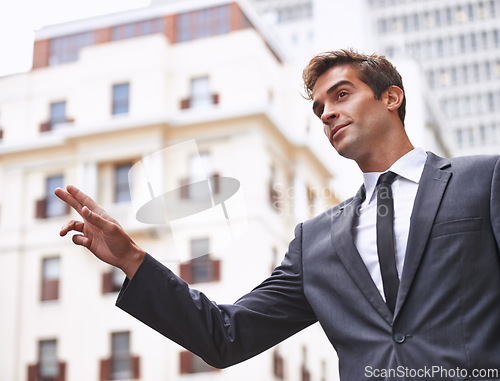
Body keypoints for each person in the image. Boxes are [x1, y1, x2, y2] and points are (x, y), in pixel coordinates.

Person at [55, 49, 500, 380]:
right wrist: (132, 258)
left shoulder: (483, 180)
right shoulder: (317, 241)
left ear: (392, 98)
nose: (327, 114)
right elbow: (225, 336)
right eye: (319, 109)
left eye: (341, 95)